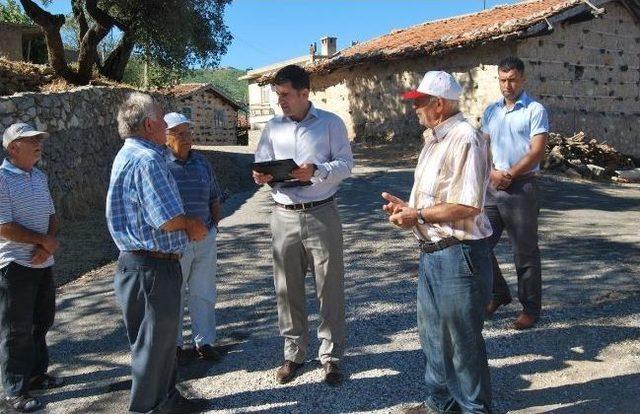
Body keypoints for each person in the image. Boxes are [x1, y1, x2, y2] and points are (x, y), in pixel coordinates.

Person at [382, 71, 494, 413]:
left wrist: (418, 216)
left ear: (439, 104)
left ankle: (475, 409)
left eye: (419, 102)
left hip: (459, 255)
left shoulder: (465, 138)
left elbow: (469, 205)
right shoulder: (433, 138)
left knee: (462, 343)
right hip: (433, 254)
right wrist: (411, 210)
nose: (414, 109)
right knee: (432, 338)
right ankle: (439, 406)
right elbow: (435, 200)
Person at [106, 93, 209, 414]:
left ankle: (167, 400)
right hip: (150, 268)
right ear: (150, 124)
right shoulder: (147, 160)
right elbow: (166, 219)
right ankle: (147, 408)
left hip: (145, 267)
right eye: (163, 119)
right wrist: (194, 225)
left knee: (161, 344)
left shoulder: (134, 154)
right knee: (153, 346)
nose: (167, 124)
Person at [253, 64, 354, 386]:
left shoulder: (330, 124)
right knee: (286, 288)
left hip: (322, 213)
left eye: (285, 95)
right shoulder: (272, 128)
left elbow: (346, 165)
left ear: (304, 93)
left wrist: (317, 170)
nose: (280, 101)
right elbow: (261, 163)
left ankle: (332, 358)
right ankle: (294, 354)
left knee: (329, 288)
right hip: (283, 214)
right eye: (277, 96)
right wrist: (261, 176)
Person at [0, 123, 63, 413]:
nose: (39, 143)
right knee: (16, 330)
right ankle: (15, 390)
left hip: (42, 261)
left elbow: (51, 215)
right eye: (31, 140)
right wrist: (42, 242)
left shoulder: (39, 176)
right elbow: (3, 227)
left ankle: (37, 375)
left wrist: (44, 246)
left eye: (39, 139)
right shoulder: (1, 178)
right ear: (13, 148)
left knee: (42, 321)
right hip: (14, 265)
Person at [482, 56, 549, 330]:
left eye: (511, 80)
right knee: (479, 242)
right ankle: (499, 293)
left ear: (522, 79)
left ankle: (530, 309)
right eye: (502, 80)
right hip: (493, 186)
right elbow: (483, 146)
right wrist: (491, 173)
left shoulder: (535, 110)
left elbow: (537, 151)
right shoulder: (491, 111)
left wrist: (510, 174)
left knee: (525, 252)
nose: (506, 85)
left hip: (522, 187)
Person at [164, 112, 222, 362]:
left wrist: (213, 228)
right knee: (174, 294)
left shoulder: (202, 163)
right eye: (179, 133)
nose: (187, 138)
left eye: (188, 133)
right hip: (175, 242)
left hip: (205, 239)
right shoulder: (160, 166)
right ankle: (174, 346)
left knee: (204, 291)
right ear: (165, 138)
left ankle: (205, 342)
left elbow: (214, 197)